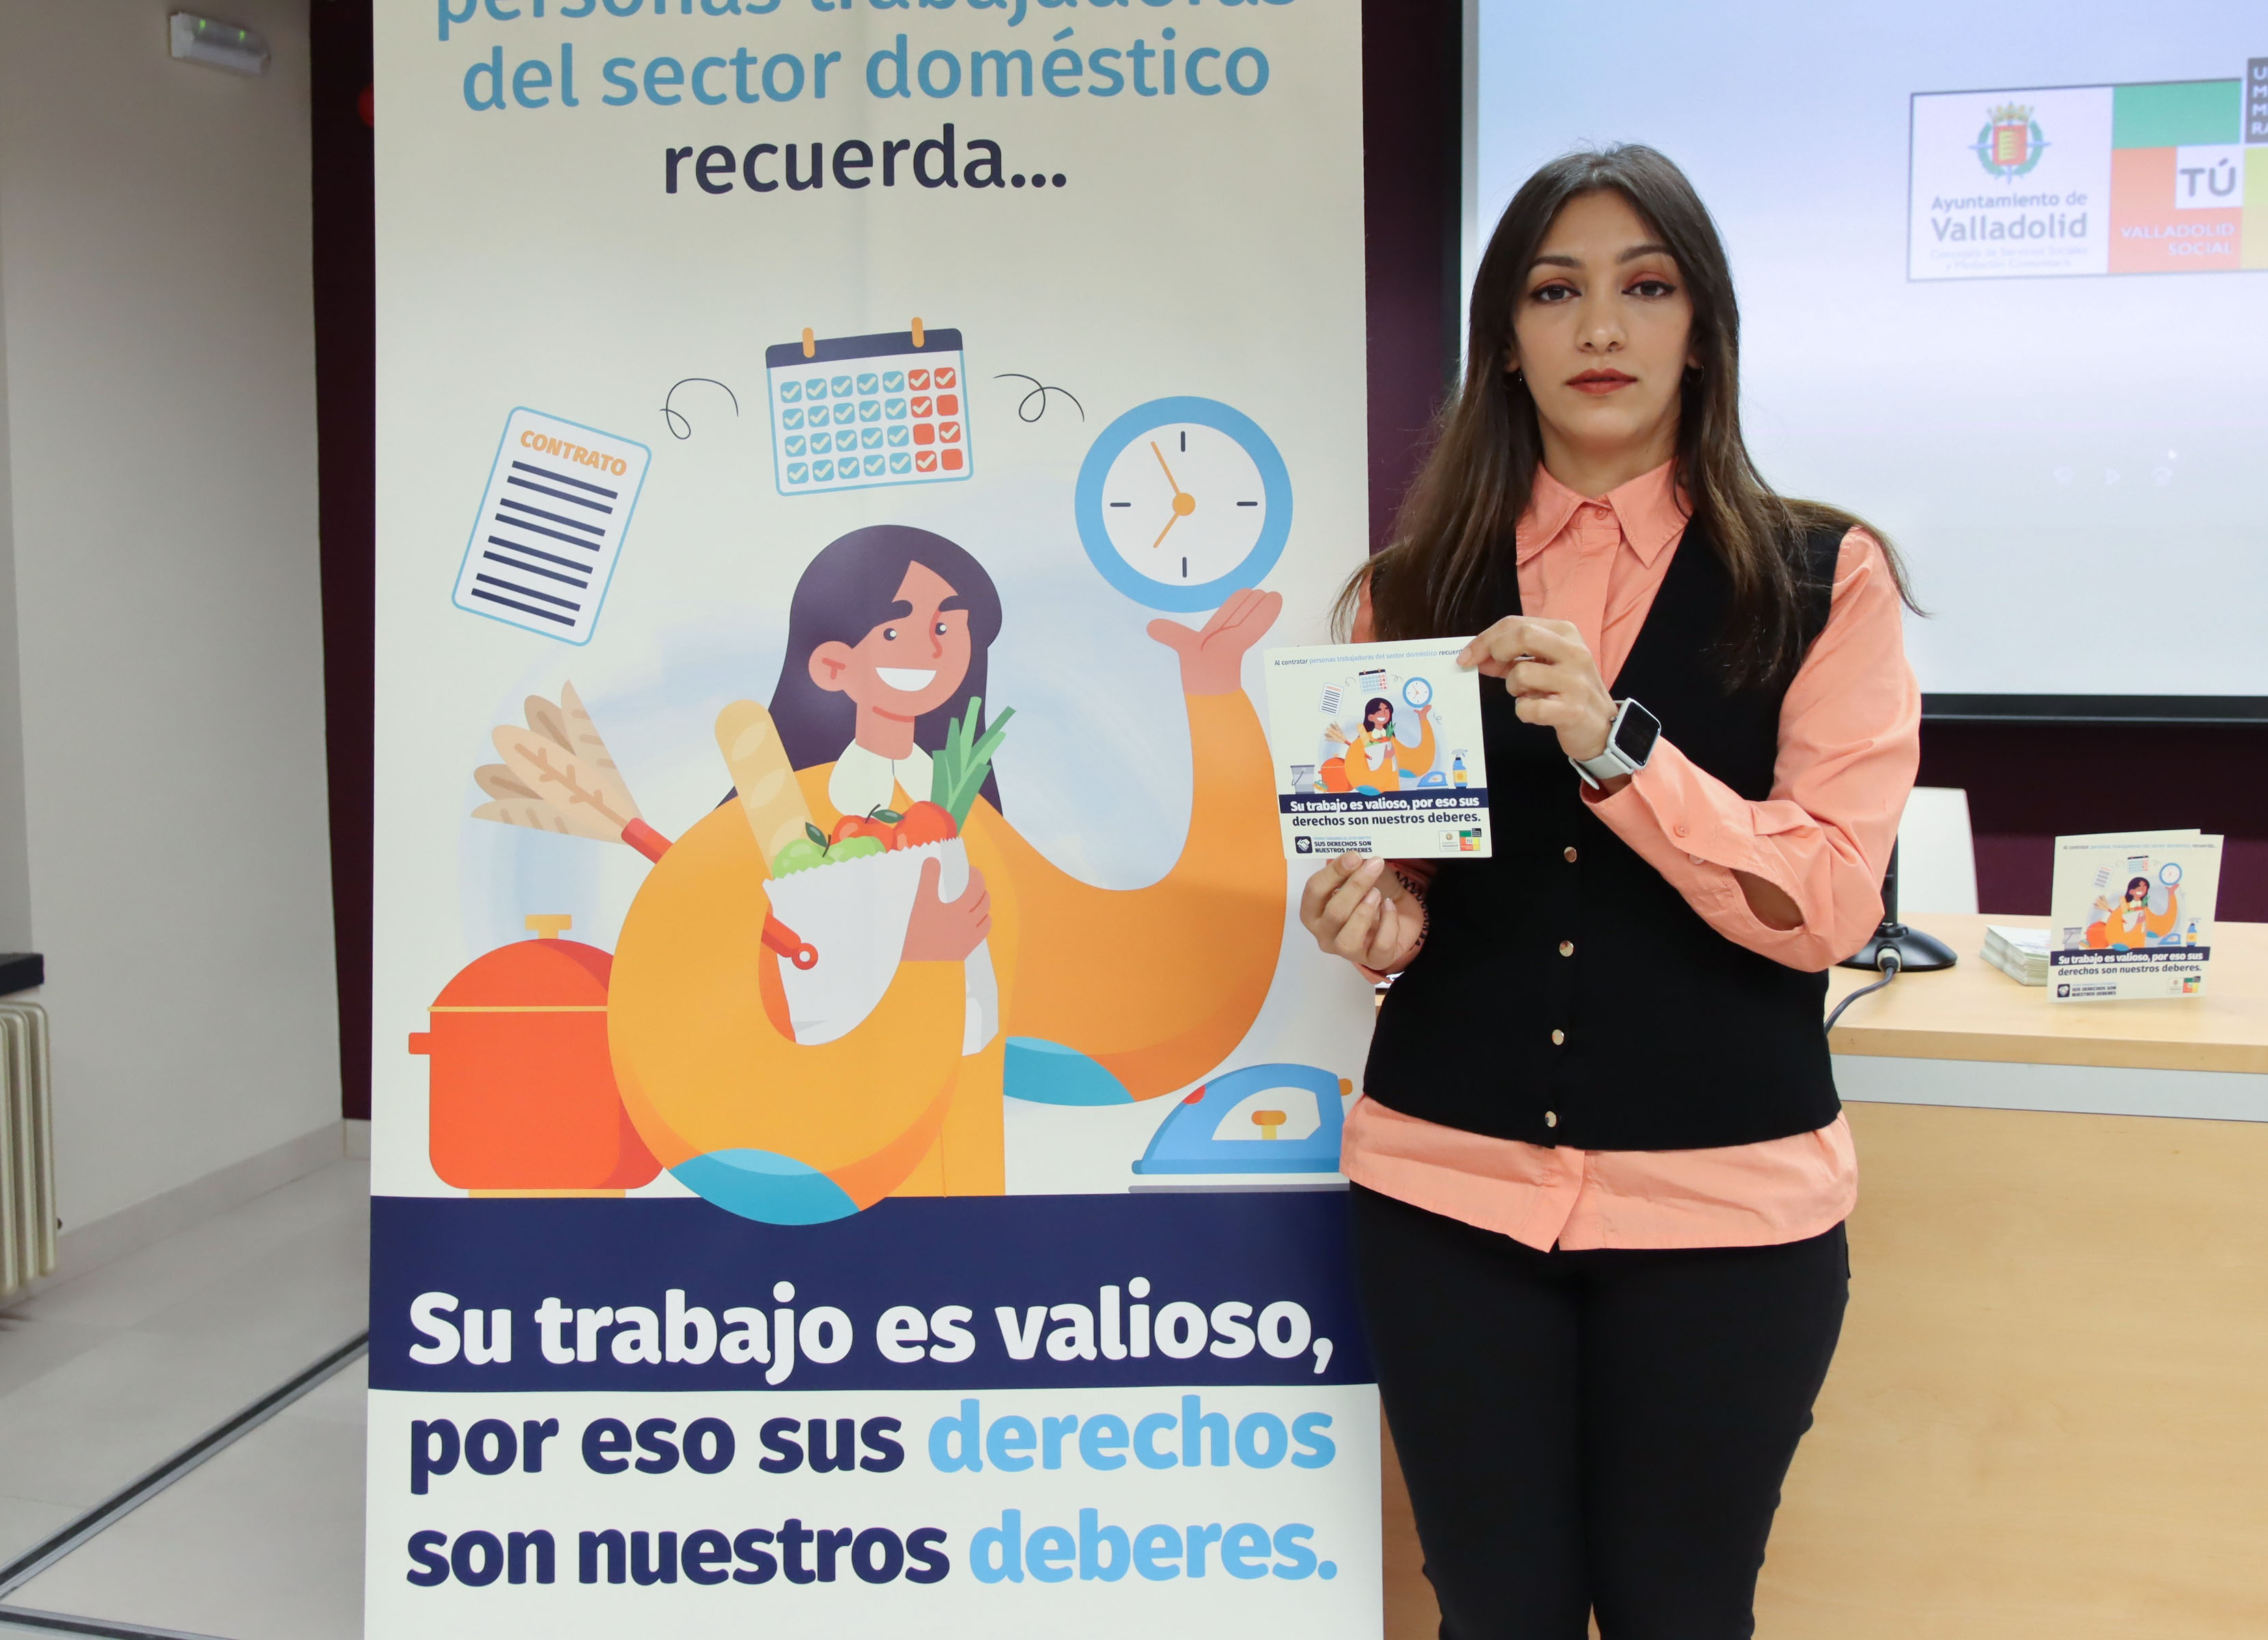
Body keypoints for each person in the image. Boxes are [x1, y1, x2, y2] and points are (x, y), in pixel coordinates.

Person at [1300, 145, 1920, 1638]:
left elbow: (1831, 904)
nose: (1598, 328)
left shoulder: (1823, 575)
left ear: (1699, 329)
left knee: (1678, 1610)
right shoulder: (1403, 591)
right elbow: (1411, 889)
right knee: (1492, 1613)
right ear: (1502, 340)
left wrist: (1616, 746)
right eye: (1551, 291)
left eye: (1644, 288)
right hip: (1445, 1193)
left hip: (1725, 1211)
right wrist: (1379, 922)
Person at [606, 525, 1286, 1215]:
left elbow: (1120, 963)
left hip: (963, 1159)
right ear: (832, 665)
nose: (930, 649)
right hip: (839, 1174)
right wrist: (906, 960)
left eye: (946, 626)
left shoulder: (968, 818)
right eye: (894, 630)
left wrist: (1214, 696)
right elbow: (702, 997)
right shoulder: (772, 820)